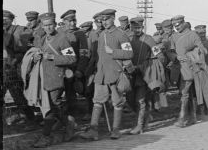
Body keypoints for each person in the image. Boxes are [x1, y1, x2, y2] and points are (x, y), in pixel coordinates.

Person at [80, 9, 133, 141]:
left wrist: (113, 52)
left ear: (113, 18)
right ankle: (93, 130)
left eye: (107, 19)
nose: (104, 22)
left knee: (117, 102)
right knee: (97, 101)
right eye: (102, 20)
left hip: (115, 73)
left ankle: (116, 130)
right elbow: (97, 56)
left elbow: (129, 53)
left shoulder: (121, 34)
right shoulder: (101, 34)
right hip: (101, 74)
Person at [31, 12, 77, 147]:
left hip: (57, 77)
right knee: (54, 105)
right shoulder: (43, 39)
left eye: (50, 25)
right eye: (45, 25)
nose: (48, 28)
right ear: (42, 26)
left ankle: (46, 136)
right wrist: (36, 57)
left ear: (55, 24)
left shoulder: (62, 39)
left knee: (50, 107)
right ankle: (69, 123)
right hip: (44, 78)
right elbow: (38, 54)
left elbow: (72, 58)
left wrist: (52, 57)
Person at [172, 15, 208, 127]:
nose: (176, 28)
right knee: (189, 93)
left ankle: (182, 118)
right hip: (179, 69)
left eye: (178, 25)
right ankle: (193, 117)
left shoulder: (192, 35)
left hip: (189, 68)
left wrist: (195, 53)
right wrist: (175, 57)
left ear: (183, 23)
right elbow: (171, 51)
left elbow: (202, 49)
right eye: (174, 26)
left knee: (184, 93)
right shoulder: (174, 36)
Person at [126, 17, 165, 134]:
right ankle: (145, 117)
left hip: (144, 74)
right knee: (130, 99)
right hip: (130, 74)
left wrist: (152, 64)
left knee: (141, 100)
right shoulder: (128, 39)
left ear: (142, 27)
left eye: (139, 28)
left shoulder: (149, 39)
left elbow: (160, 56)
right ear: (131, 27)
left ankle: (140, 125)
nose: (137, 30)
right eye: (134, 28)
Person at [58, 9, 90, 124]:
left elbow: (84, 53)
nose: (73, 23)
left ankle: (76, 116)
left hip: (75, 69)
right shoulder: (59, 32)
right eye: (70, 21)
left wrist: (80, 70)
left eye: (74, 20)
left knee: (79, 92)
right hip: (61, 69)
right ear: (64, 21)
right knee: (59, 94)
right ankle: (61, 117)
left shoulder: (80, 34)